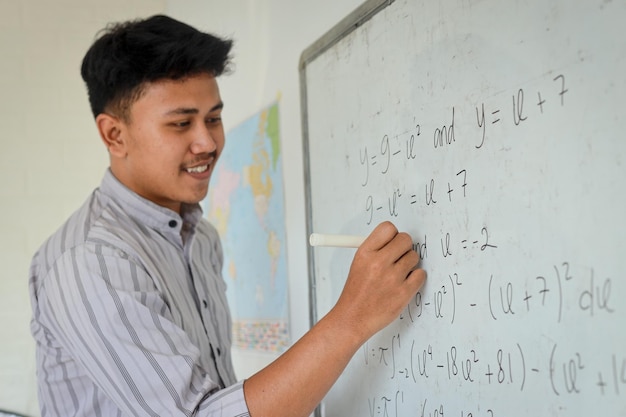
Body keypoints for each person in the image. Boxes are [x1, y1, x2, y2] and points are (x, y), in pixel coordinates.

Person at [28, 14, 427, 417]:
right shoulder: (89, 260)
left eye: (214, 118)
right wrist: (351, 318)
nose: (207, 142)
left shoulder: (201, 239)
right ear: (114, 135)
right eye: (181, 123)